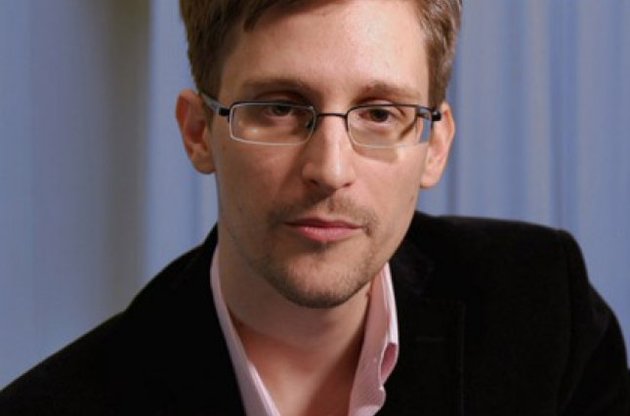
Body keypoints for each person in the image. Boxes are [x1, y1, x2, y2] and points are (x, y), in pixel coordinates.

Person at [1, 0, 629, 414]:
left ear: (434, 147)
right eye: (279, 108)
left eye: (379, 113)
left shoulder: (547, 313)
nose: (330, 170)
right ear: (198, 133)